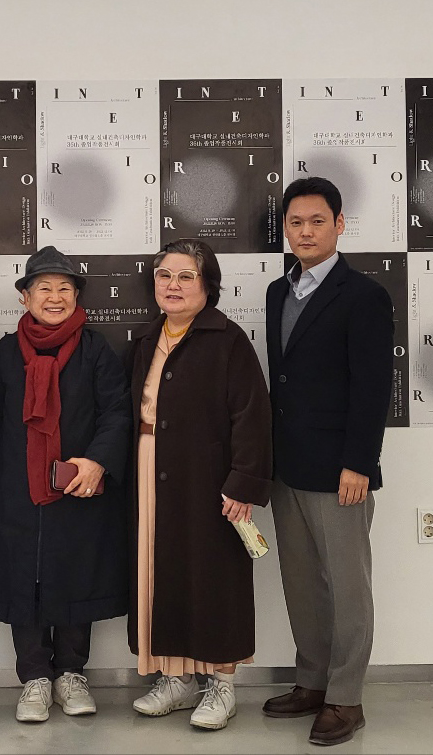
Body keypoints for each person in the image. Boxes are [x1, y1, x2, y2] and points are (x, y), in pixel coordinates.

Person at [0, 246, 131, 724]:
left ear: (77, 296)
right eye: (44, 288)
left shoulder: (95, 349)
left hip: (80, 488)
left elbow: (117, 412)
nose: (55, 297)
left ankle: (72, 673)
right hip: (15, 492)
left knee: (76, 571)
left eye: (65, 288)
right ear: (25, 297)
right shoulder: (5, 354)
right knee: (24, 577)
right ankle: (35, 677)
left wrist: (98, 463)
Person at [261, 177, 394, 746]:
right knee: (300, 583)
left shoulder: (363, 296)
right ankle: (312, 682)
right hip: (287, 464)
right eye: (296, 223)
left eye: (318, 221)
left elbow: (373, 387)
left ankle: (345, 697)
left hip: (341, 469)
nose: (306, 232)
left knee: (347, 587)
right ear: (285, 230)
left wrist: (359, 462)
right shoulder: (277, 292)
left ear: (339, 225)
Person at [125, 238, 273, 731]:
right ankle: (176, 679)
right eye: (164, 275)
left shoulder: (228, 340)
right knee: (160, 571)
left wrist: (243, 483)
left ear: (208, 286)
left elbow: (252, 417)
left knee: (216, 576)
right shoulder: (145, 339)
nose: (173, 285)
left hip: (210, 477)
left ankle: (222, 684)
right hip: (150, 469)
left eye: (186, 276)